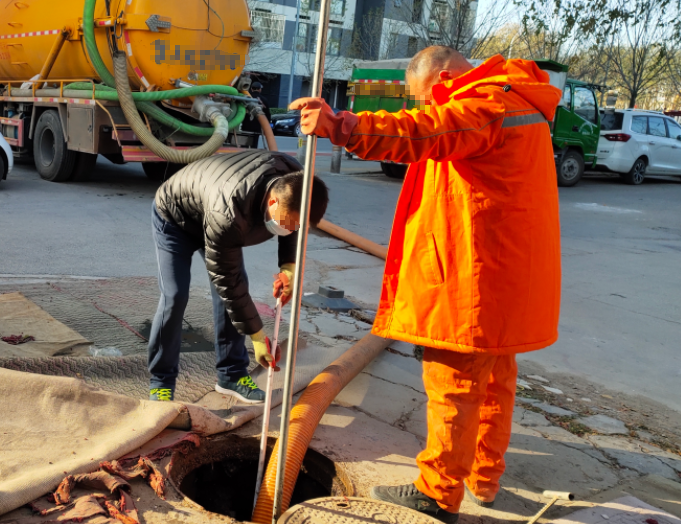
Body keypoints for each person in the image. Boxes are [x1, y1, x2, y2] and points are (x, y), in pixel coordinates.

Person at [290, 46, 562, 523]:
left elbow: (425, 133)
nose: (424, 107)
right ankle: (484, 475)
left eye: (422, 97)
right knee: (494, 382)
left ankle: (437, 494)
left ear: (441, 79)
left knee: (454, 386)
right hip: (503, 276)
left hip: (473, 278)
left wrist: (341, 127)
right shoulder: (518, 101)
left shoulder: (485, 104)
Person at [148, 150, 329, 403]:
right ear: (273, 202)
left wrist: (289, 270)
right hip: (175, 218)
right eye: (287, 223)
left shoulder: (296, 183)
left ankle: (231, 375)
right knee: (175, 296)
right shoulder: (230, 212)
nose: (289, 230)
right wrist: (257, 338)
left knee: (231, 295)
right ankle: (161, 383)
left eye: (296, 225)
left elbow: (295, 228)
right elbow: (228, 282)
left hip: (211, 207)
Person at [242, 81, 272, 148]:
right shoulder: (264, 100)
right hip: (257, 126)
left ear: (251, 89)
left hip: (246, 124)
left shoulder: (245, 98)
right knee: (254, 144)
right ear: (260, 89)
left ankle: (243, 155)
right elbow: (268, 114)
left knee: (244, 144)